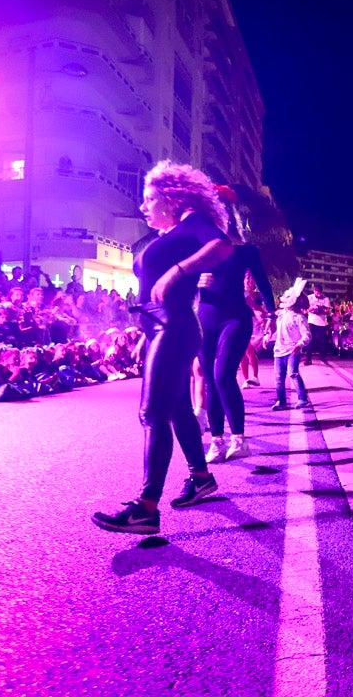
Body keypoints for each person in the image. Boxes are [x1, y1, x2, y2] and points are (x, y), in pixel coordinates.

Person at [92, 162, 233, 535]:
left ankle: (146, 508)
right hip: (158, 328)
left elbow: (222, 246)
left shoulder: (193, 224)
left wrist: (180, 270)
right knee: (177, 412)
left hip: (175, 325)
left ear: (171, 199)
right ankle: (201, 477)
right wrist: (143, 335)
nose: (143, 207)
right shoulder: (170, 234)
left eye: (150, 198)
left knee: (151, 414)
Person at [199, 185, 276, 464]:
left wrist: (272, 315)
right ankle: (216, 442)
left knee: (222, 376)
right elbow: (181, 278)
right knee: (209, 379)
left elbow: (265, 286)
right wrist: (194, 280)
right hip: (205, 320)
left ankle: (239, 439)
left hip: (235, 318)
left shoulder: (246, 251)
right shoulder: (200, 249)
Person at [271, 287, 311, 410]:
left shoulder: (299, 318)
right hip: (279, 351)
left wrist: (299, 344)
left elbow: (307, 335)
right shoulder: (281, 315)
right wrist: (268, 337)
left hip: (293, 350)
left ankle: (302, 398)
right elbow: (277, 331)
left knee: (293, 373)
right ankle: (281, 402)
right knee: (278, 377)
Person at [305, 285, 332, 364]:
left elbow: (327, 310)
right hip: (312, 322)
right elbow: (306, 310)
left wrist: (321, 309)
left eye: (319, 292)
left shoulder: (325, 299)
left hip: (322, 323)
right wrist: (312, 309)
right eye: (317, 292)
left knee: (322, 341)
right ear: (314, 291)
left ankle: (323, 357)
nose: (318, 294)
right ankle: (308, 359)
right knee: (310, 341)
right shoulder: (309, 298)